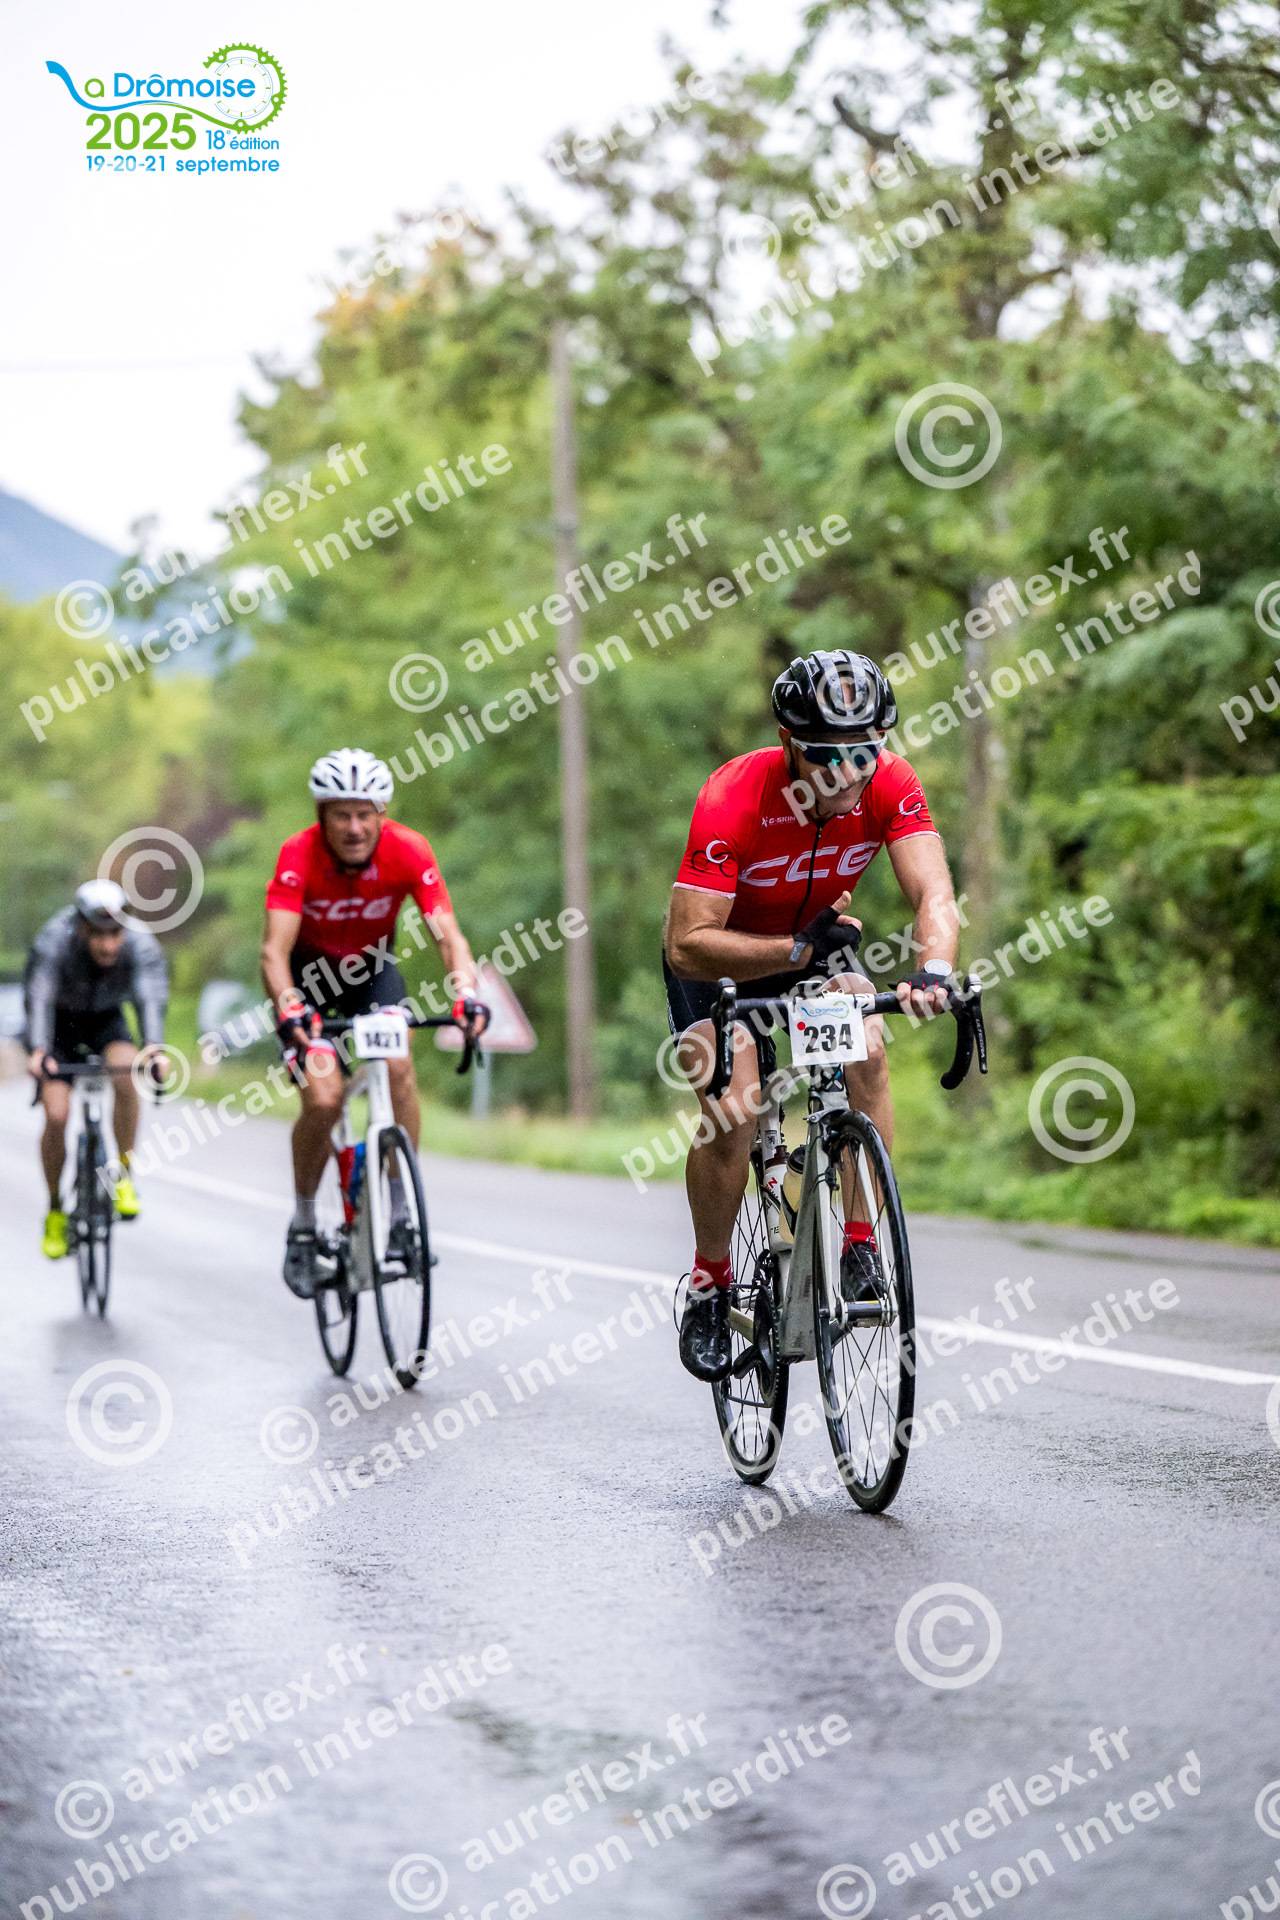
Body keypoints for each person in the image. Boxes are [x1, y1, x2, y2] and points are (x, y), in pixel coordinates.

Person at [664, 648, 961, 1380]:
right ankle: (709, 1282)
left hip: (818, 948)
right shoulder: (734, 795)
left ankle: (859, 1242)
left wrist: (934, 970)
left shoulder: (891, 782)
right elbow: (686, 943)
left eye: (865, 752)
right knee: (734, 1107)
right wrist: (787, 950)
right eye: (828, 755)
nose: (849, 773)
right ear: (790, 743)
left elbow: (934, 894)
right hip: (723, 960)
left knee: (868, 1049)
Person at [261, 748, 488, 1297]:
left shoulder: (409, 850)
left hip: (372, 974)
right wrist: (290, 1009)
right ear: (322, 815)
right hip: (307, 983)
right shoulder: (298, 854)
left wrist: (466, 994)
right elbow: (273, 952)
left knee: (399, 1065)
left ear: (381, 813)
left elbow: (449, 937)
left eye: (365, 814)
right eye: (341, 814)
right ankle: (304, 1224)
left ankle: (402, 1217)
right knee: (323, 1100)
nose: (355, 827)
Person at [25, 879, 169, 1258]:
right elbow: (39, 995)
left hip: (106, 1020)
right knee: (57, 1115)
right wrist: (38, 1049)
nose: (108, 945)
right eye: (98, 935)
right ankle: (55, 1209)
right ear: (81, 928)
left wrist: (154, 1048)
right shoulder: (54, 940)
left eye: (115, 934)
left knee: (128, 1073)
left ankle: (123, 1176)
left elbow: (149, 996)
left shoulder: (140, 944)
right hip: (58, 1026)